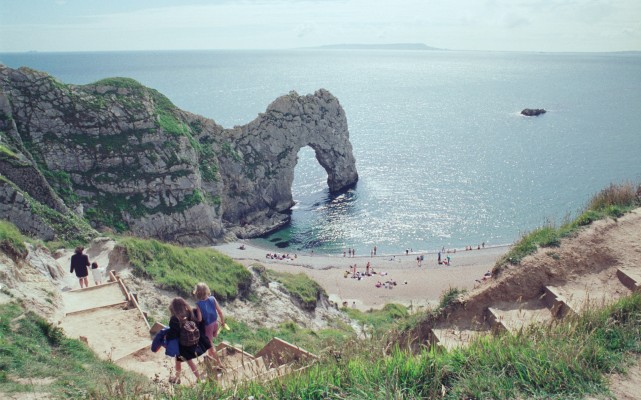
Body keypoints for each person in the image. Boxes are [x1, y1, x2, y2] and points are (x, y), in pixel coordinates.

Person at [167, 297, 211, 383]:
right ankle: (177, 377)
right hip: (193, 342)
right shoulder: (190, 312)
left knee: (188, 361)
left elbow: (173, 334)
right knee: (178, 361)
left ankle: (197, 378)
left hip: (183, 346)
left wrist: (167, 338)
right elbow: (198, 323)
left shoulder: (175, 319)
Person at [193, 282, 225, 369]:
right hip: (215, 323)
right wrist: (222, 321)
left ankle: (219, 363)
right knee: (211, 341)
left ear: (197, 292)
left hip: (208, 327)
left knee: (210, 345)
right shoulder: (213, 299)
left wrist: (194, 318)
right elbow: (220, 312)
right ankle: (210, 358)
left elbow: (199, 319)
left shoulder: (198, 304)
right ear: (207, 290)